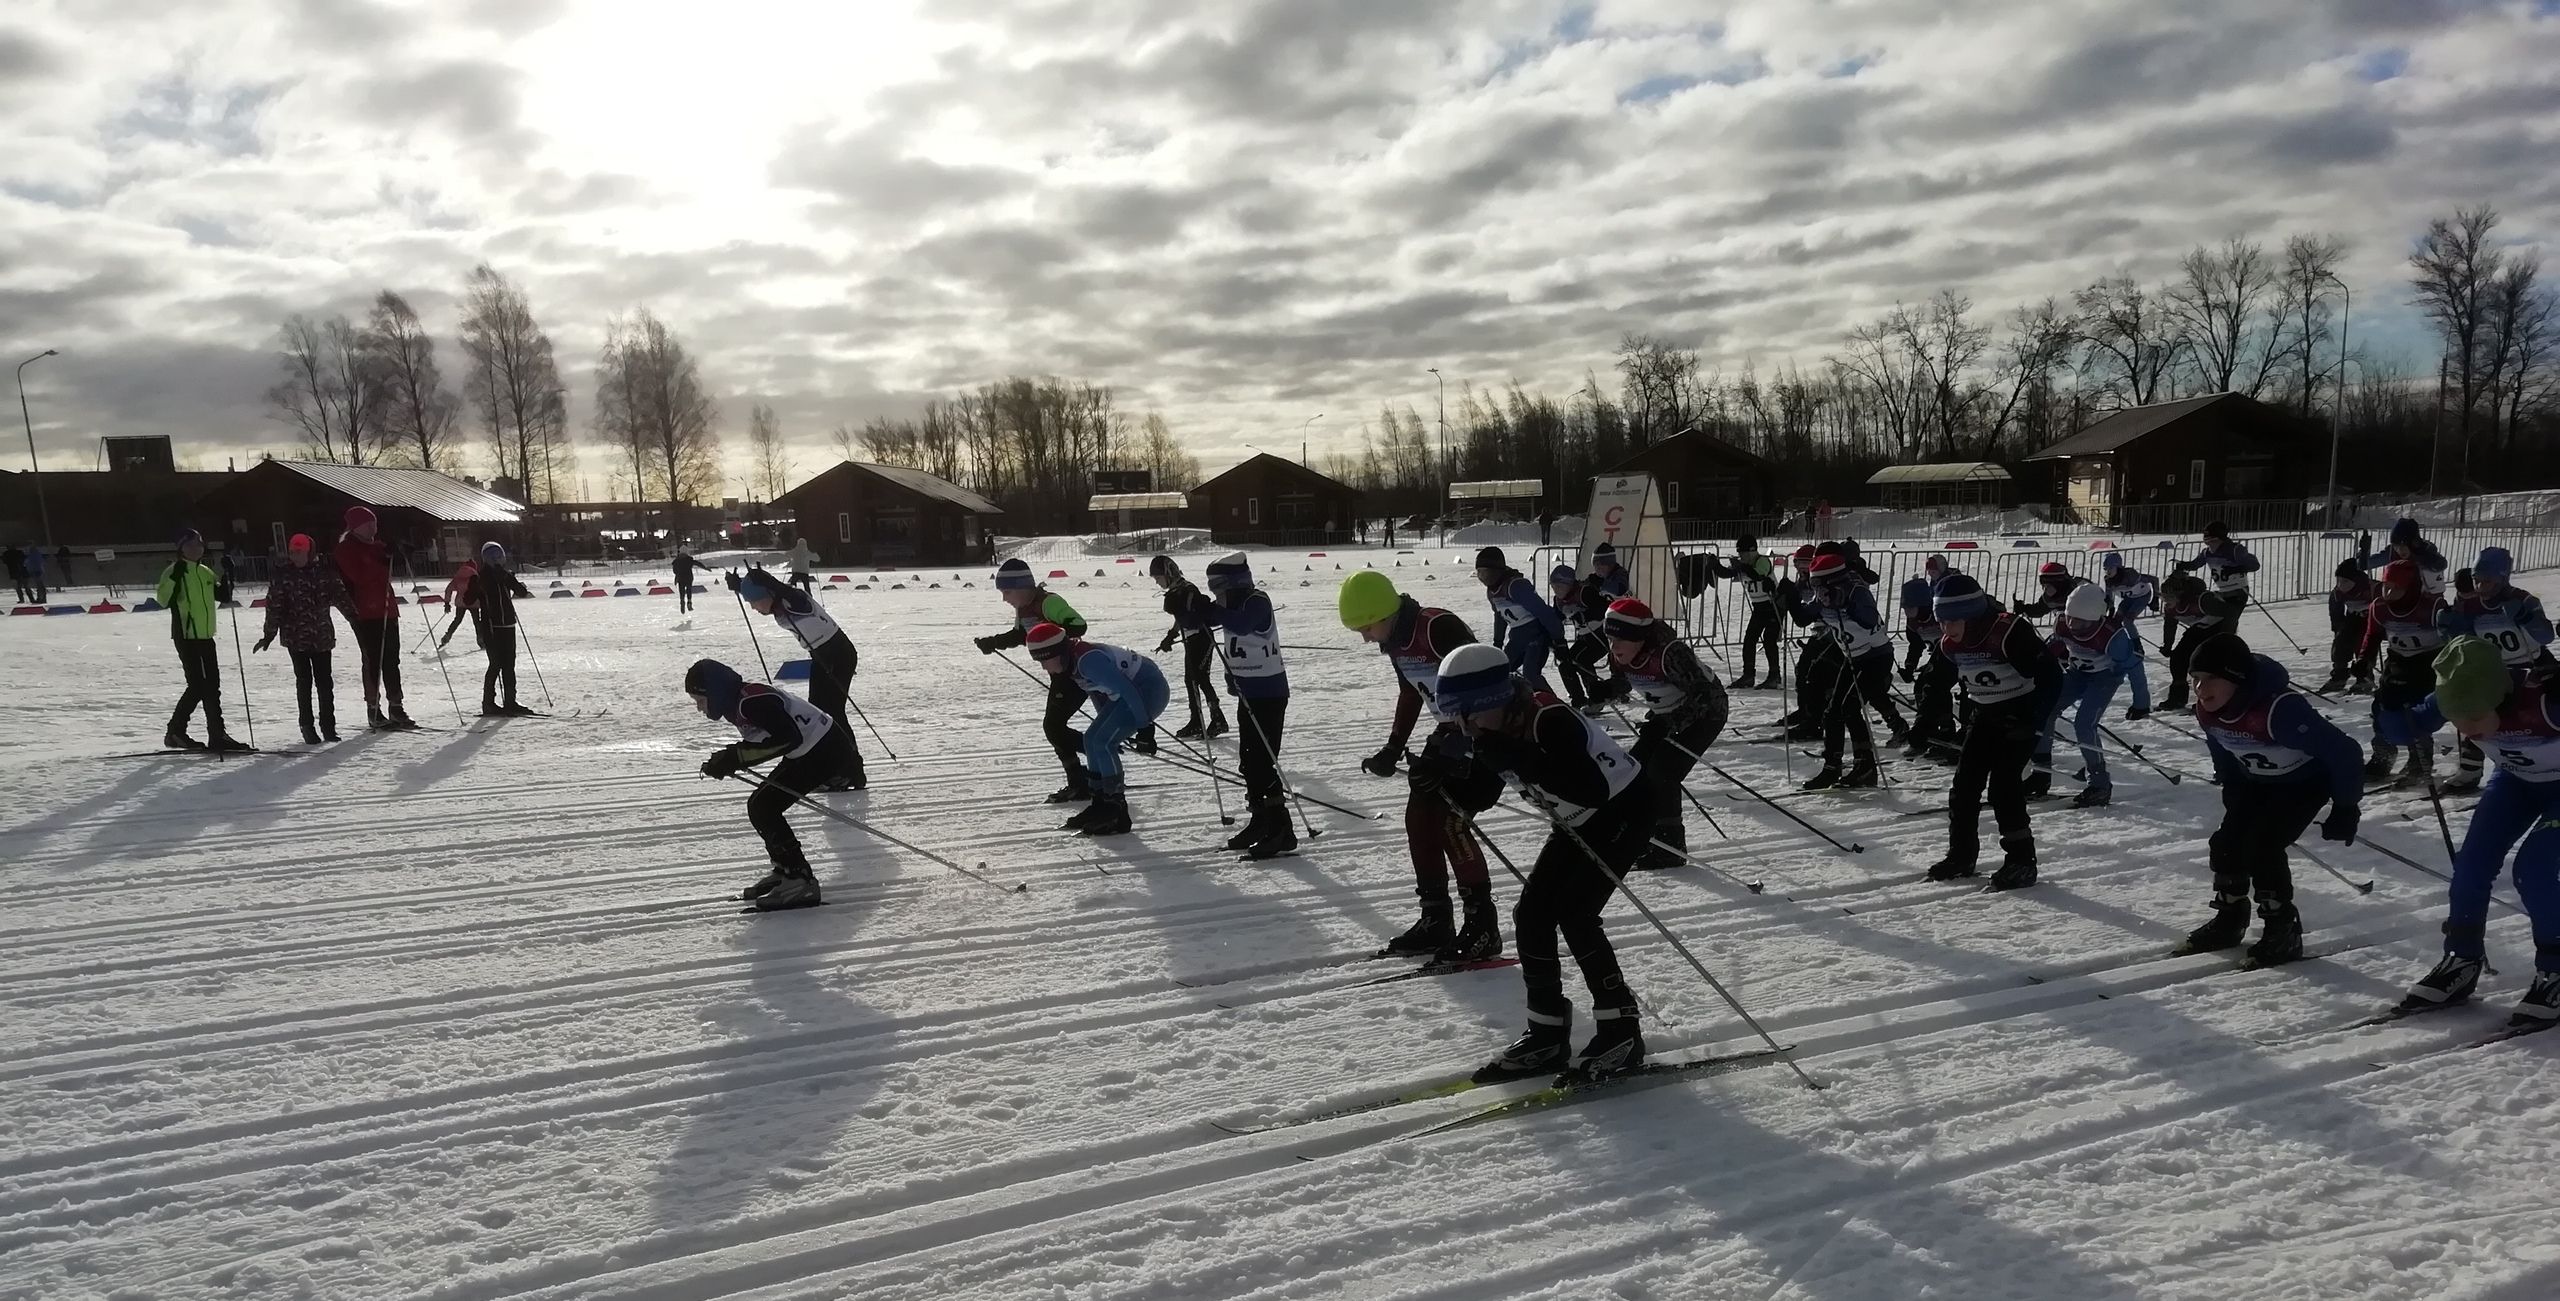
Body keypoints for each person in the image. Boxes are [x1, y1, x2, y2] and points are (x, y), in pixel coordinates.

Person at [1420, 642, 1655, 1082]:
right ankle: (1546, 1033)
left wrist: (1518, 759)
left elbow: (1589, 789)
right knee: (1531, 915)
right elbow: (1483, 794)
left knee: (1576, 914)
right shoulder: (1491, 731)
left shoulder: (1548, 720)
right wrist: (1442, 783)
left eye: (1467, 714)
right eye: (1455, 717)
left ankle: (1621, 1029)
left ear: (1492, 700)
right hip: (1578, 821)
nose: (1463, 726)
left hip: (1624, 810)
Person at [2394, 637, 2560, 1026]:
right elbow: (2406, 726)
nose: (2465, 731)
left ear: (2498, 696)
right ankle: (2462, 959)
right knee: (2470, 868)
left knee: (2532, 871)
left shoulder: (2546, 700)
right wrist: (2390, 701)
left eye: (2473, 718)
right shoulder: (2458, 694)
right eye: (2456, 721)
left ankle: (2555, 968)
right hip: (2516, 784)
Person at [1342, 571, 1500, 959]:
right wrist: (1393, 748)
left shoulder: (1437, 627)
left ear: (1384, 613)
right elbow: (1410, 693)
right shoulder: (1397, 641)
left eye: (1366, 627)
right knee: (1418, 819)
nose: (1365, 637)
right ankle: (1436, 921)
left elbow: (1484, 688)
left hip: (1484, 733)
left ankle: (1483, 927)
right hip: (1449, 733)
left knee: (1450, 823)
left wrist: (1461, 751)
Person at [2181, 633, 2363, 965]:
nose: (2199, 688)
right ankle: (2230, 918)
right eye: (2195, 679)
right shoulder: (2208, 712)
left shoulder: (2280, 710)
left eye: (2210, 679)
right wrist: (2231, 785)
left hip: (2304, 783)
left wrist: (2346, 806)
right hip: (2257, 782)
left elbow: (2345, 752)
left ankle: (2283, 928)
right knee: (2226, 843)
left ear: (2236, 679)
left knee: (2263, 847)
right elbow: (2222, 749)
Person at [687, 658, 853, 912]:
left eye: (700, 701)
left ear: (714, 692)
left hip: (825, 749)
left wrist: (735, 757)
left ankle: (800, 880)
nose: (700, 709)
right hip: (811, 749)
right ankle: (786, 869)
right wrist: (732, 758)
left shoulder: (751, 702)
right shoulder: (738, 701)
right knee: (758, 805)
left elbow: (788, 739)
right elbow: (771, 740)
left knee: (765, 807)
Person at [1928, 573, 2061, 889]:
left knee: (2004, 788)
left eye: (1953, 620)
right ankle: (1961, 855)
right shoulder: (1949, 644)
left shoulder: (2008, 631)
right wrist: (1924, 722)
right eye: (1941, 621)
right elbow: (1936, 683)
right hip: (1984, 714)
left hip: (2019, 715)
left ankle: (2021, 861)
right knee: (1964, 788)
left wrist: (2034, 721)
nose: (1947, 629)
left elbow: (2052, 678)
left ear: (1972, 613)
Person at [1604, 597, 1729, 868]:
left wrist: (1670, 722)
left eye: (1620, 640)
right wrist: (1607, 690)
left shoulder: (1670, 653)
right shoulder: (1618, 652)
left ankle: (1671, 847)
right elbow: (1623, 680)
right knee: (1634, 770)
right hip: (1667, 715)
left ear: (1638, 637)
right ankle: (1645, 836)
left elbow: (1704, 696)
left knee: (1662, 772)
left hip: (1706, 714)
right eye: (1610, 639)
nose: (1613, 647)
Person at [1027, 622, 1168, 838]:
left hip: (1147, 691)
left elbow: (1127, 689)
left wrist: (1145, 728)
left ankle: (1116, 810)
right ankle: (1099, 803)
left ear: (1057, 652)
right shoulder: (1072, 663)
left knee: (1103, 743)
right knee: (1092, 739)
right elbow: (1098, 692)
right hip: (1130, 694)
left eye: (1044, 660)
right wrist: (1106, 723)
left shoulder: (1088, 661)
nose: (1043, 667)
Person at [2434, 547, 2555, 792]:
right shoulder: (2470, 605)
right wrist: (2448, 629)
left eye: (2487, 582)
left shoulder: (2523, 600)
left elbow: (2545, 636)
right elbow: (2464, 641)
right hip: (2493, 670)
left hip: (2533, 665)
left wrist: (2525, 617)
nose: (2480, 587)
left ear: (2502, 578)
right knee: (2475, 711)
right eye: (2477, 581)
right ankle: (2470, 770)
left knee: (2537, 716)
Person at [976, 557, 1094, 802]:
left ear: (1022, 587)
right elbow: (1022, 635)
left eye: (1007, 591)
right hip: (1058, 673)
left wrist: (1053, 638)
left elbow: (1079, 626)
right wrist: (993, 642)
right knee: (1054, 727)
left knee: (1053, 727)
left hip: (1074, 671)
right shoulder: (1023, 609)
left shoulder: (1049, 602)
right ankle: (1084, 773)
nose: (1004, 598)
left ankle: (1095, 759)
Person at [739, 568, 866, 789]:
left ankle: (851, 771)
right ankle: (838, 769)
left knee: (833, 713)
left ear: (768, 593)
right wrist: (737, 585)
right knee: (821, 713)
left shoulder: (793, 600)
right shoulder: (779, 604)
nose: (753, 607)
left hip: (838, 655)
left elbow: (791, 595)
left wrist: (772, 584)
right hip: (821, 656)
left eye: (755, 601)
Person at [1208, 553, 1293, 856]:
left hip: (1270, 694)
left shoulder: (1257, 601)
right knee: (1248, 761)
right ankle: (1261, 819)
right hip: (1248, 694)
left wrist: (1210, 612)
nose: (1218, 597)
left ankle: (1281, 828)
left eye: (1220, 590)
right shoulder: (1228, 607)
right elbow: (1235, 643)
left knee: (1262, 761)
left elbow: (1242, 626)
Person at [2041, 583, 2152, 808]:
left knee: (2084, 723)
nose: (2073, 625)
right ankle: (2040, 771)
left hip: (2104, 679)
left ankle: (2100, 783)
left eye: (2080, 622)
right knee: (2044, 710)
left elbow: (2135, 668)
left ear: (2096, 618)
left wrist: (2141, 703)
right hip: (2076, 673)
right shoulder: (2063, 624)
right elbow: (2054, 646)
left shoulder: (2111, 637)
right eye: (2070, 618)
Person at [1795, 552, 1892, 790]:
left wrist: (1843, 602)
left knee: (1848, 708)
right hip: (1854, 658)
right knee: (1832, 711)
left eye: (1819, 584)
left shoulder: (1857, 591)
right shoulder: (1823, 597)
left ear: (1833, 581)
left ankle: (1865, 766)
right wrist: (1788, 596)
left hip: (1876, 657)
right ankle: (1832, 767)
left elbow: (1869, 619)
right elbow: (1802, 619)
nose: (1816, 590)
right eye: (1813, 584)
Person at [254, 532, 356, 743]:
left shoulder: (325, 573)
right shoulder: (283, 575)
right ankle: (307, 725)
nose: (295, 556)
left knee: (325, 683)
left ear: (310, 552)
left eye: (299, 552)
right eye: (292, 552)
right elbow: (275, 607)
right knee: (304, 682)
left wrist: (355, 619)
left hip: (322, 637)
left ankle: (328, 726)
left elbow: (341, 597)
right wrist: (269, 634)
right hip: (296, 639)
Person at [156, 529, 247, 752]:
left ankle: (216, 734)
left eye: (199, 544)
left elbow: (223, 596)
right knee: (197, 686)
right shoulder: (174, 571)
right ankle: (176, 731)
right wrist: (175, 577)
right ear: (181, 548)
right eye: (190, 545)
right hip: (186, 636)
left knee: (212, 687)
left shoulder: (205, 572)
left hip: (206, 636)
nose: (196, 548)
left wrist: (228, 574)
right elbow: (163, 600)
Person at [2360, 558, 2449, 788]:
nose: (2388, 591)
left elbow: (2452, 637)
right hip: (2398, 661)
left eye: (2395, 587)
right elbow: (2372, 636)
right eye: (2385, 586)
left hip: (2428, 663)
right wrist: (2364, 660)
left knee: (2415, 712)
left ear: (2410, 587)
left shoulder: (2431, 607)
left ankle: (2419, 759)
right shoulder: (2379, 607)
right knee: (2381, 707)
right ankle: (2382, 757)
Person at [334, 505, 413, 730]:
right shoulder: (346, 550)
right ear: (356, 527)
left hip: (386, 609)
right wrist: (383, 561)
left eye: (374, 523)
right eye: (368, 524)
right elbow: (360, 576)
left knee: (392, 659)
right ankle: (373, 708)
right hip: (364, 612)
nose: (373, 528)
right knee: (373, 661)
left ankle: (396, 705)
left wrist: (399, 554)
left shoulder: (378, 547)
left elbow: (386, 567)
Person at [1151, 555, 1228, 740]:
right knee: (1190, 680)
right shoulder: (1176, 591)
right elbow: (1181, 618)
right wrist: (1170, 636)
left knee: (1200, 678)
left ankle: (1218, 719)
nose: (1157, 582)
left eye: (1158, 578)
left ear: (1169, 573)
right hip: (1191, 640)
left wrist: (1183, 618)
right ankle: (1196, 720)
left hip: (1203, 638)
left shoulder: (1187, 589)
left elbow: (1193, 615)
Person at [1474, 546, 1564, 694]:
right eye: (1479, 573)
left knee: (1531, 675)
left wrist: (1558, 638)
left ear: (1497, 571)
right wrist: (1498, 642)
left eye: (1485, 573)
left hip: (1536, 636)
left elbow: (1543, 611)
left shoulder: (1516, 586)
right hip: (1517, 638)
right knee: (1501, 672)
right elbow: (1500, 617)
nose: (1482, 578)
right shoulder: (1492, 591)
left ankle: (1553, 706)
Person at [463, 543, 537, 717]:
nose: (497, 559)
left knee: (509, 665)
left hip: (508, 625)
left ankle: (510, 701)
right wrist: (478, 586)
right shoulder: (480, 577)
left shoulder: (505, 575)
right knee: (496, 664)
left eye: (499, 555)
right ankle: (488, 703)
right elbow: (468, 600)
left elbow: (521, 592)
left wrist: (506, 577)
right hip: (491, 626)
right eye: (492, 556)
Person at [1900, 555, 1960, 761]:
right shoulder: (1913, 622)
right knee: (1924, 687)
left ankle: (1947, 731)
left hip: (1958, 654)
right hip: (1940, 654)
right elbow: (1915, 645)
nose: (1907, 613)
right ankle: (1937, 729)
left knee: (1934, 686)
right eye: (1905, 609)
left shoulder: (1939, 615)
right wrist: (1909, 666)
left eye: (1911, 607)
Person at [1548, 564, 1620, 714]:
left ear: (1569, 584)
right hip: (1585, 638)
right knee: (1566, 664)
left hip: (1601, 636)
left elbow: (1604, 608)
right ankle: (1578, 699)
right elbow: (1555, 621)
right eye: (1553, 587)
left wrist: (1584, 615)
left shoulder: (1584, 592)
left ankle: (1596, 699)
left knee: (1582, 661)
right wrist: (1556, 643)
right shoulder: (1559, 601)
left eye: (1559, 587)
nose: (1556, 591)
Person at [2171, 519, 2258, 642]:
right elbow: (2195, 564)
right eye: (2207, 542)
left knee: (2228, 626)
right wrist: (2182, 565)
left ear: (2221, 538)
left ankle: (2229, 650)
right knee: (2219, 624)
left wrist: (2235, 569)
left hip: (2238, 592)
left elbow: (2254, 565)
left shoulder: (2235, 550)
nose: (2211, 545)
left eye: (2213, 541)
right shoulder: (2207, 553)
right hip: (2223, 592)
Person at [1712, 534, 1781, 689]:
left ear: (1751, 551)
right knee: (1749, 639)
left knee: (1769, 640)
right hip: (1759, 607)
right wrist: (1715, 565)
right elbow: (1727, 573)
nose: (1740, 556)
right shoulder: (1744, 564)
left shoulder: (1762, 561)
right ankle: (1748, 675)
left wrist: (1741, 566)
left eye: (1742, 553)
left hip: (1773, 605)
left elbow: (1757, 575)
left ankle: (1774, 676)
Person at [2155, 572, 2229, 712]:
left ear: (2180, 595)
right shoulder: (2170, 607)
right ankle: (2177, 697)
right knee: (2177, 658)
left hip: (2218, 629)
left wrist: (2227, 638)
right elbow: (2170, 625)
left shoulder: (2201, 601)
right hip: (2197, 630)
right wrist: (2168, 645)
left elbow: (2228, 613)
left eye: (2169, 597)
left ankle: (2211, 699)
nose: (2166, 601)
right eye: (2163, 597)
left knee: (2207, 664)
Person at [2317, 559, 2379, 696]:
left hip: (2372, 620)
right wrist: (2338, 627)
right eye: (2338, 581)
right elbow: (2335, 611)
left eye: (2345, 581)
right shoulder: (2337, 593)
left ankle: (2365, 677)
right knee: (2341, 642)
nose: (2341, 585)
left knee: (2363, 645)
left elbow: (2386, 606)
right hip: (2352, 617)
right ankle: (2339, 675)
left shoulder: (2372, 589)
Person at [2368, 517, 2449, 598]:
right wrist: (2363, 556)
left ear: (2414, 543)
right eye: (2396, 545)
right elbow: (2370, 563)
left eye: (2403, 545)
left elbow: (2440, 565)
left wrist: (2426, 561)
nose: (2400, 550)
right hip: (2398, 599)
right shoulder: (2392, 553)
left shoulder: (2426, 555)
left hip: (2422, 602)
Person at [440, 556, 481, 650]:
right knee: (477, 622)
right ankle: (481, 639)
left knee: (457, 620)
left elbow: (448, 589)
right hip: (473, 602)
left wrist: (447, 602)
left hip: (460, 602)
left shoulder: (458, 576)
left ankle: (447, 635)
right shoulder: (475, 576)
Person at [671, 548, 697, 613]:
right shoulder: (689, 560)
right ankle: (689, 601)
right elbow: (698, 563)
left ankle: (682, 601)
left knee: (681, 591)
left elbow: (674, 571)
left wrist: (677, 575)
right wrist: (705, 568)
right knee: (689, 589)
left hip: (680, 578)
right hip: (689, 577)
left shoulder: (676, 561)